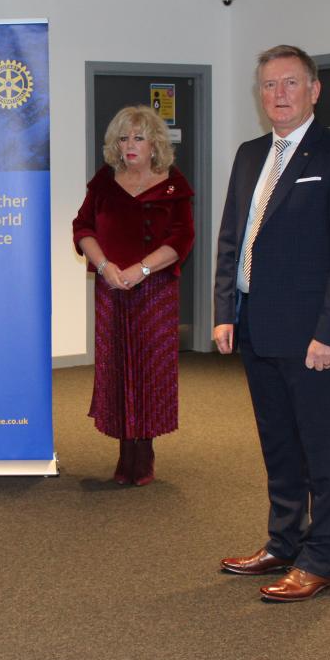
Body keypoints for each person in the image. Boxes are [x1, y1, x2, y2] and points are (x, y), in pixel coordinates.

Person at [213, 45, 330, 602]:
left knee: (322, 449)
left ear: (314, 89)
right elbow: (232, 239)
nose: (277, 95)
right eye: (267, 86)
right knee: (278, 443)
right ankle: (283, 541)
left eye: (289, 84)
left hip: (314, 338)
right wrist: (223, 312)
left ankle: (321, 558)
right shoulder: (249, 153)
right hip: (257, 325)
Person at [73, 105, 195, 486]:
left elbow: (182, 238)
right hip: (111, 290)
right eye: (123, 137)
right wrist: (106, 266)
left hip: (154, 291)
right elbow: (82, 228)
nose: (130, 145)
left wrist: (141, 269)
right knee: (116, 367)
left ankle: (144, 456)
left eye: (138, 138)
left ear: (154, 143)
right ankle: (125, 456)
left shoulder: (173, 184)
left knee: (149, 371)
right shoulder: (104, 182)